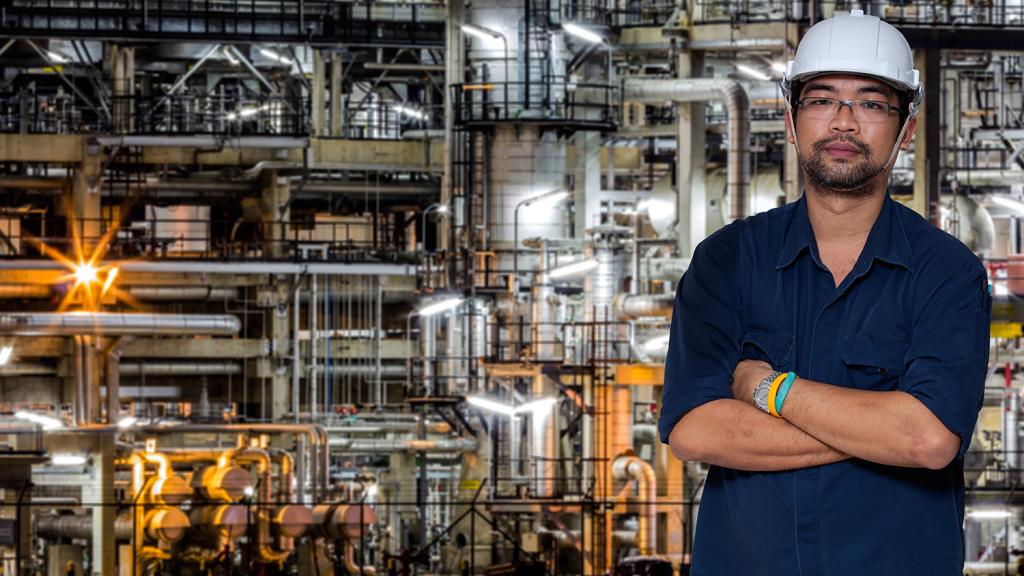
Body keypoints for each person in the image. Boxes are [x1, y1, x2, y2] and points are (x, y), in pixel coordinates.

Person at [658, 10, 992, 576]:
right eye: (821, 100)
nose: (843, 122)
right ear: (791, 120)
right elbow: (693, 430)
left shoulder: (948, 272)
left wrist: (766, 387)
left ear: (905, 128)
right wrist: (878, 431)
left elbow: (928, 440)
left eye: (870, 102)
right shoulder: (727, 260)